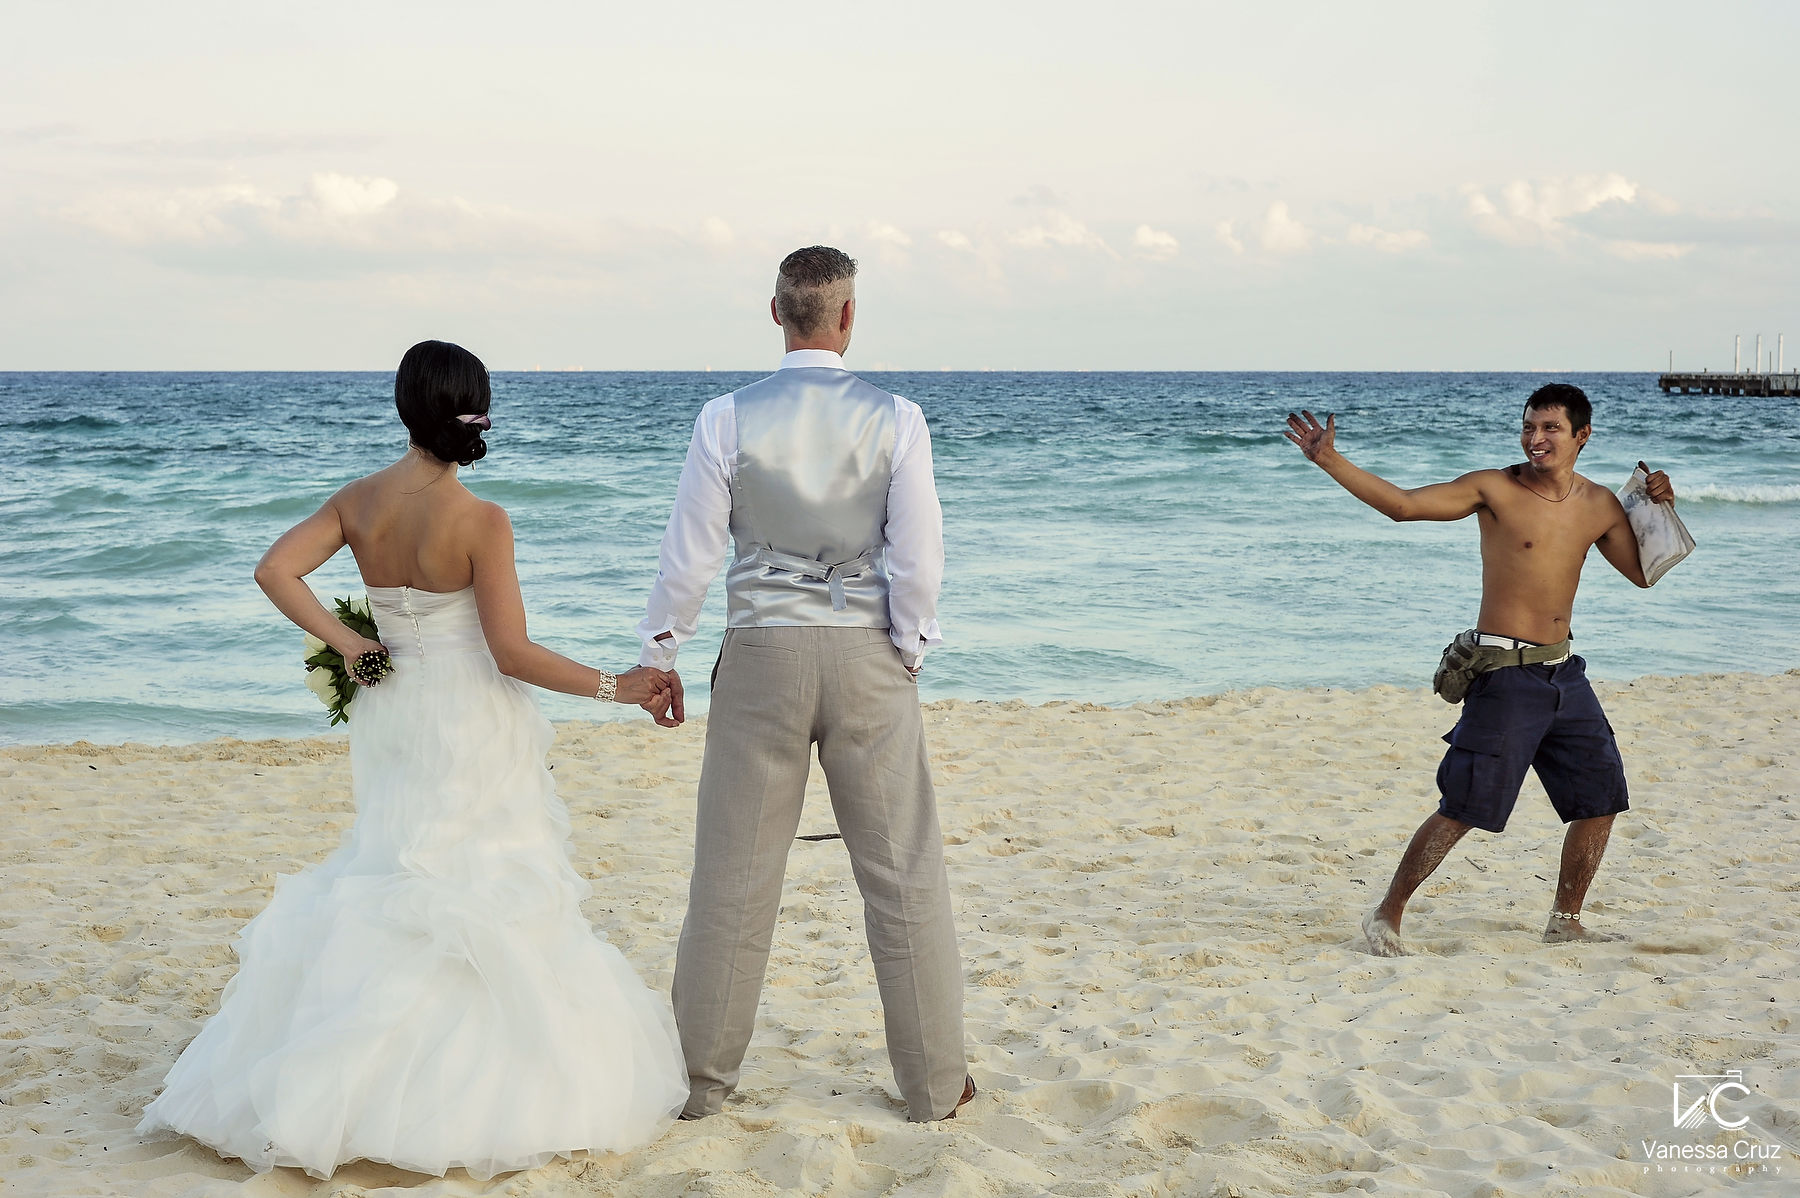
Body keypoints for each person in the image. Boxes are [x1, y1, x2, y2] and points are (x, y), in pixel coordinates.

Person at [136, 340, 689, 1179]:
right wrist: (624, 685)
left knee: (397, 865)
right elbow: (511, 653)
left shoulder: (359, 501)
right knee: (474, 874)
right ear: (474, 410)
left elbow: (274, 568)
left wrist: (349, 640)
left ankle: (348, 1075)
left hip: (394, 708)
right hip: (468, 713)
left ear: (405, 408)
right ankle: (465, 1090)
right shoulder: (481, 521)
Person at [638, 246, 973, 1121]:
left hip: (761, 658)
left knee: (733, 878)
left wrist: (663, 652)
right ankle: (936, 1087)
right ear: (848, 316)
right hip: (866, 656)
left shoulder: (725, 418)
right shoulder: (898, 417)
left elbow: (691, 554)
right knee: (902, 876)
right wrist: (909, 647)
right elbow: (920, 555)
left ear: (775, 313)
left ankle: (702, 1087)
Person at [1283, 383, 1676, 956]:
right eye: (1528, 427)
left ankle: (1565, 918)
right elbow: (1404, 506)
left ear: (1581, 436)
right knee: (1466, 805)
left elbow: (1644, 573)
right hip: (1504, 675)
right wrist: (1329, 459)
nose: (1535, 439)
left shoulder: (1599, 505)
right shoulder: (1495, 488)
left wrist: (1662, 504)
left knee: (1601, 798)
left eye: (1549, 429)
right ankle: (1387, 914)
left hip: (1565, 674)